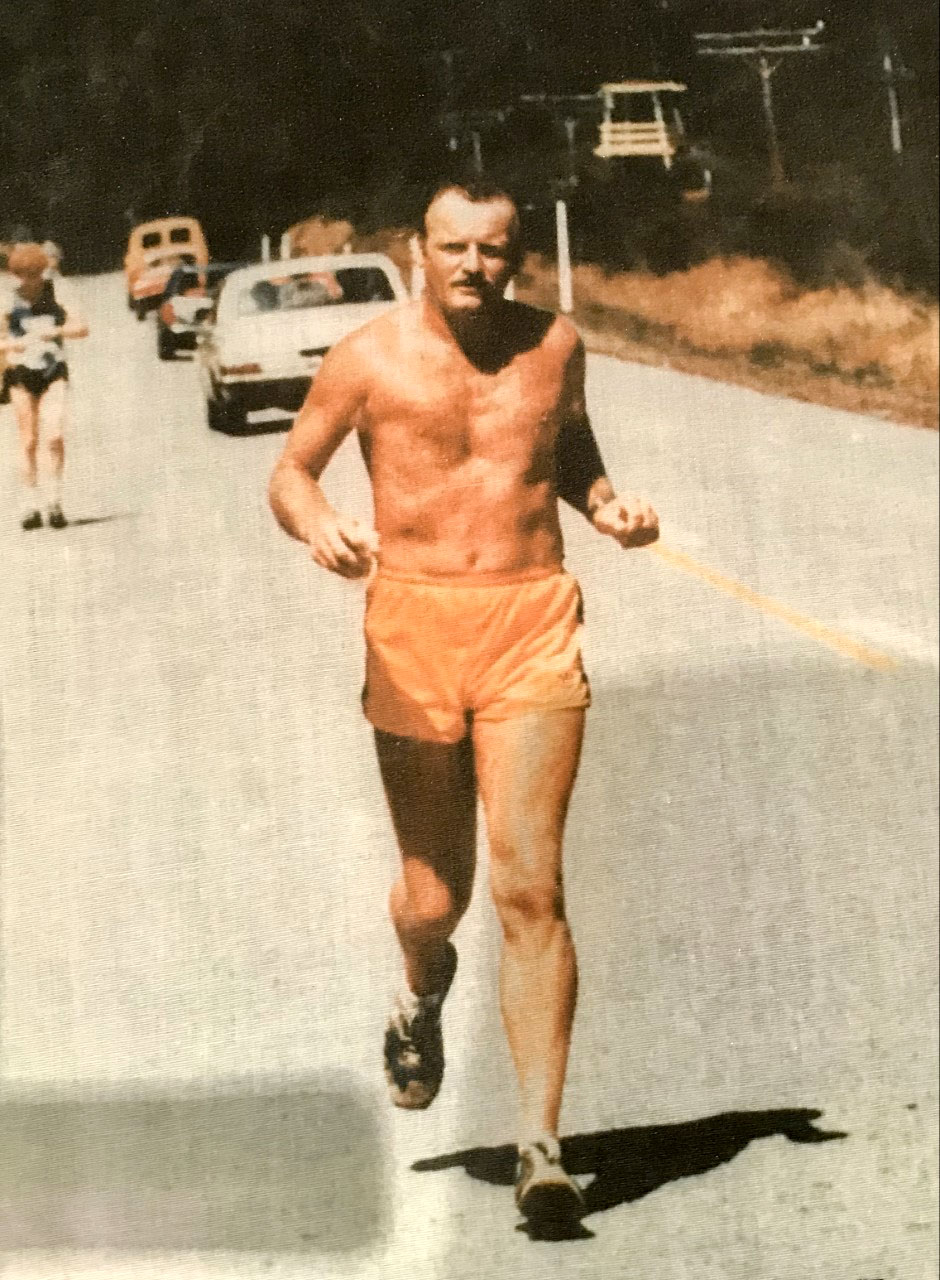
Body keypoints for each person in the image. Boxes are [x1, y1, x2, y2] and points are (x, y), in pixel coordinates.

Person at [268, 179, 658, 1233]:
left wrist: (605, 501)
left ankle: (542, 1147)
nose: (473, 266)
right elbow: (291, 472)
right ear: (416, 250)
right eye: (453, 247)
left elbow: (564, 443)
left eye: (494, 249)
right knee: (435, 896)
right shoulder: (368, 357)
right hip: (415, 623)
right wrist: (319, 525)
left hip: (530, 619)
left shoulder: (557, 344)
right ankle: (418, 987)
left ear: (519, 254)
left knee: (531, 883)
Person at [1, 242, 88, 529]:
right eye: (23, 275)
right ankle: (30, 504)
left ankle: (54, 501)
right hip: (20, 374)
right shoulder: (6, 299)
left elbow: (81, 327)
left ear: (42, 271)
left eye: (34, 274)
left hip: (53, 370)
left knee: (54, 435)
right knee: (28, 441)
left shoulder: (56, 292)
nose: (29, 281)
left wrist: (55, 331)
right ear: (14, 274)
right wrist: (15, 343)